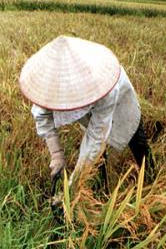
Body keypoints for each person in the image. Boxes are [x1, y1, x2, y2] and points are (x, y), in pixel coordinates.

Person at [19, 35, 155, 186]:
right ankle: (102, 187)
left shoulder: (105, 84)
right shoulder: (49, 84)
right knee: (99, 154)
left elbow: (96, 135)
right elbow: (42, 115)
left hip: (121, 104)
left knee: (137, 140)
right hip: (93, 107)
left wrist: (73, 183)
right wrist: (56, 154)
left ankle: (151, 177)